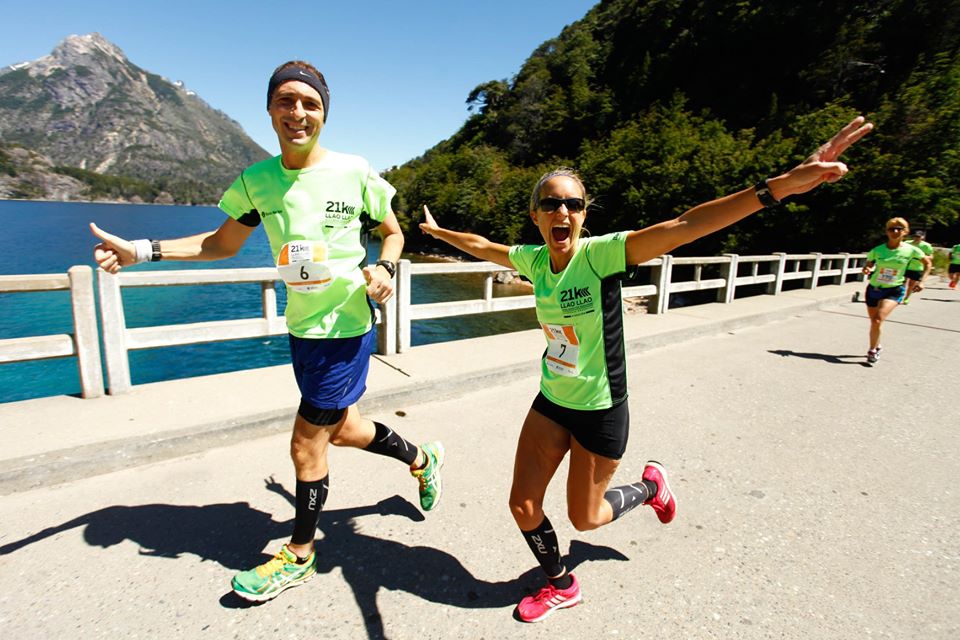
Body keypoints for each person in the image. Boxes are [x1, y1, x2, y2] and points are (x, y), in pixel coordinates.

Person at [419, 116, 873, 623]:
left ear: (585, 214)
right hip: (551, 401)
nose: (562, 210)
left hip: (600, 409)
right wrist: (439, 234)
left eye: (573, 203)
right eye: (551, 203)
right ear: (536, 215)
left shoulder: (601, 255)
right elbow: (484, 247)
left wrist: (778, 189)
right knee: (523, 504)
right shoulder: (531, 259)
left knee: (585, 518)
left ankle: (651, 488)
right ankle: (561, 585)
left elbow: (685, 226)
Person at [89, 60, 445, 603]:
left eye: (310, 103)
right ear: (270, 110)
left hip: (346, 328)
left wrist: (385, 269)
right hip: (303, 328)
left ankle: (299, 555)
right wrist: (141, 251)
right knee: (344, 430)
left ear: (325, 112)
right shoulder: (257, 181)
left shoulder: (354, 171)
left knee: (306, 446)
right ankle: (422, 459)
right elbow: (219, 244)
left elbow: (391, 233)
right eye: (286, 101)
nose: (298, 112)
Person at [861, 218, 932, 363]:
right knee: (875, 322)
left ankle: (872, 351)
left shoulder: (911, 250)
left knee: (877, 319)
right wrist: (867, 268)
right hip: (874, 288)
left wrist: (922, 281)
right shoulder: (878, 250)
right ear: (886, 231)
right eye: (891, 229)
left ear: (905, 232)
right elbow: (869, 263)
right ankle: (878, 345)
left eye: (898, 229)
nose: (894, 231)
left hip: (895, 289)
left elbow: (928, 264)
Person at [902, 229, 933, 304]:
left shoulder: (926, 246)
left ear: (922, 237)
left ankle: (906, 298)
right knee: (902, 282)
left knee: (911, 284)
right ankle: (900, 296)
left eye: (918, 237)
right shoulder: (907, 243)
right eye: (915, 236)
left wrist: (922, 257)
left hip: (917, 267)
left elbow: (931, 257)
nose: (916, 238)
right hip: (906, 266)